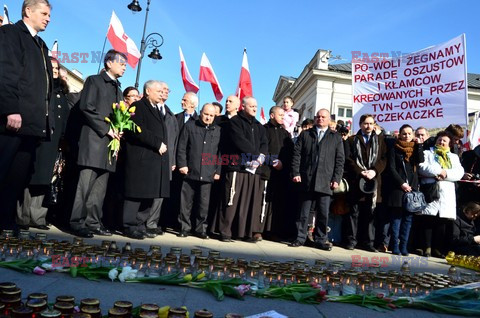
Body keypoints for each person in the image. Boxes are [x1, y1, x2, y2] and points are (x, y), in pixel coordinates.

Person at [0, 0, 53, 231]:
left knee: (17, 177)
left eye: (49, 15)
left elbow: (44, 87)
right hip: (13, 120)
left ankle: (5, 222)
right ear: (28, 11)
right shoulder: (11, 33)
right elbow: (6, 71)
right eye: (44, 13)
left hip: (32, 124)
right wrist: (11, 108)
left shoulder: (41, 45)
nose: (48, 18)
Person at [69, 49, 126, 238]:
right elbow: (87, 107)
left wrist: (119, 129)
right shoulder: (94, 80)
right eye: (121, 63)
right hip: (94, 141)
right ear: (109, 63)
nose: (125, 67)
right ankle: (77, 221)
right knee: (85, 185)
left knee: (100, 187)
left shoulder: (118, 88)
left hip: (109, 145)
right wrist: (106, 128)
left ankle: (93, 222)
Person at [16, 57, 70, 231]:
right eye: (51, 67)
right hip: (38, 138)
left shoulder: (61, 92)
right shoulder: (43, 88)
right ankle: (23, 216)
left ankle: (38, 216)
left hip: (53, 142)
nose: (54, 70)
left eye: (57, 68)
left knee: (45, 180)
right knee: (30, 178)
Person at [289, 109, 345, 250]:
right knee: (304, 212)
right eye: (318, 117)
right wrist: (296, 172)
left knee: (323, 213)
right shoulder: (306, 134)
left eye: (323, 117)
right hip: (307, 179)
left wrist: (336, 178)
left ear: (329, 119)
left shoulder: (335, 137)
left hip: (325, 181)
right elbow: (297, 155)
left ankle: (321, 240)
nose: (320, 119)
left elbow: (340, 160)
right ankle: (300, 238)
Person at [121, 80, 170, 240]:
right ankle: (129, 224)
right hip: (141, 158)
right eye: (158, 91)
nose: (161, 94)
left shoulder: (156, 109)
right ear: (148, 91)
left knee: (148, 194)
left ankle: (139, 224)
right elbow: (135, 129)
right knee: (136, 194)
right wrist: (157, 143)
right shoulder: (138, 106)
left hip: (153, 160)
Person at [219, 97, 268, 242]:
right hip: (237, 166)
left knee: (250, 202)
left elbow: (264, 143)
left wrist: (261, 157)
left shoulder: (259, 126)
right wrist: (254, 154)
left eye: (256, 106)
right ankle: (226, 232)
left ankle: (246, 232)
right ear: (243, 106)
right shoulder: (235, 122)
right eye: (251, 106)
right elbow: (239, 140)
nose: (254, 108)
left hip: (254, 170)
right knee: (231, 201)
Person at [344, 114, 387, 252]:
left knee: (370, 213)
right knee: (354, 212)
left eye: (371, 123)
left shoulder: (381, 140)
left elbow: (384, 159)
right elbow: (348, 158)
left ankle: (369, 242)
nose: (368, 126)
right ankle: (351, 240)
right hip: (357, 180)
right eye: (365, 123)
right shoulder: (352, 140)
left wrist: (374, 171)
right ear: (360, 124)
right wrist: (360, 171)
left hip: (374, 181)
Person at [176, 103, 221, 239]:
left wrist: (217, 170)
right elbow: (182, 147)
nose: (208, 118)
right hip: (190, 171)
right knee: (186, 203)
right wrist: (182, 164)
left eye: (211, 115)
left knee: (203, 204)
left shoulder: (218, 130)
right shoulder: (190, 126)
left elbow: (219, 153)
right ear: (200, 112)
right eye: (206, 114)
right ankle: (185, 228)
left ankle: (201, 229)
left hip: (208, 173)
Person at [419, 130, 464, 257]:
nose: (441, 142)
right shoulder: (427, 153)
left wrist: (446, 174)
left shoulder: (453, 157)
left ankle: (437, 249)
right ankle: (426, 247)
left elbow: (459, 172)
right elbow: (422, 166)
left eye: (444, 140)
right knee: (428, 219)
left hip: (446, 191)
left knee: (442, 221)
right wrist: (438, 171)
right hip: (431, 189)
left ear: (449, 144)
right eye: (440, 139)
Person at [145, 81, 178, 236]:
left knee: (160, 194)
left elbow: (175, 141)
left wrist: (173, 161)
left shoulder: (171, 115)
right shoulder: (148, 108)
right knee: (147, 190)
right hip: (150, 156)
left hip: (166, 159)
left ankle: (152, 223)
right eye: (162, 89)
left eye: (167, 89)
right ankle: (141, 221)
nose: (165, 92)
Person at [385, 124, 424, 256]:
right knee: (396, 219)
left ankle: (404, 246)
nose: (407, 136)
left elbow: (420, 161)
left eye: (409, 134)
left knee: (408, 219)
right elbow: (391, 168)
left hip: (412, 188)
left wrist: (419, 146)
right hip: (398, 188)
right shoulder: (394, 148)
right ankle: (394, 245)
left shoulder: (415, 148)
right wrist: (401, 183)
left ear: (413, 135)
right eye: (404, 134)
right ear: (399, 135)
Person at [260, 106, 294, 240]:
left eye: (283, 115)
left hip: (281, 174)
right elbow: (260, 149)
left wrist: (283, 163)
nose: (282, 117)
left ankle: (273, 230)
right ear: (272, 115)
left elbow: (290, 152)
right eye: (280, 115)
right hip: (266, 171)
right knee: (263, 202)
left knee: (277, 203)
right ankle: (259, 230)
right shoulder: (263, 130)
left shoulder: (286, 133)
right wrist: (272, 161)